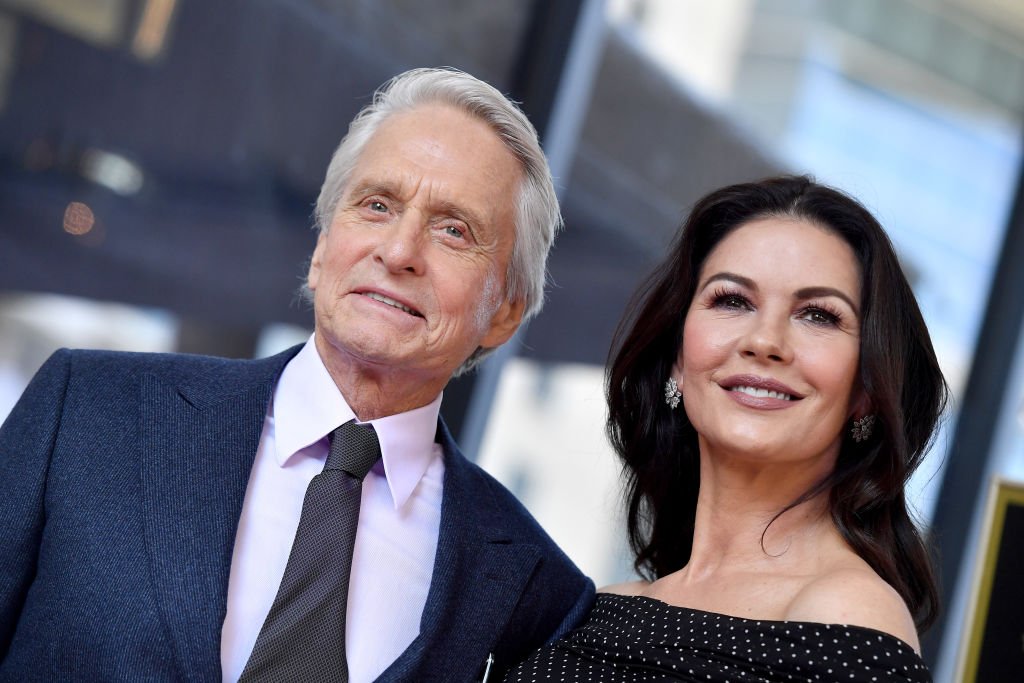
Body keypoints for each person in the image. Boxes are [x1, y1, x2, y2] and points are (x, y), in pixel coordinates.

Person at [0, 67, 593, 682]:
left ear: (504, 313)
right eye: (377, 205)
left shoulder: (539, 595)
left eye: (453, 230)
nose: (398, 252)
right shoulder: (90, 411)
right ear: (319, 250)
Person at [507, 175, 946, 682]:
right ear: (677, 357)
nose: (765, 340)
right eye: (732, 300)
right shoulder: (600, 609)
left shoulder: (848, 612)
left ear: (868, 389)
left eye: (818, 315)